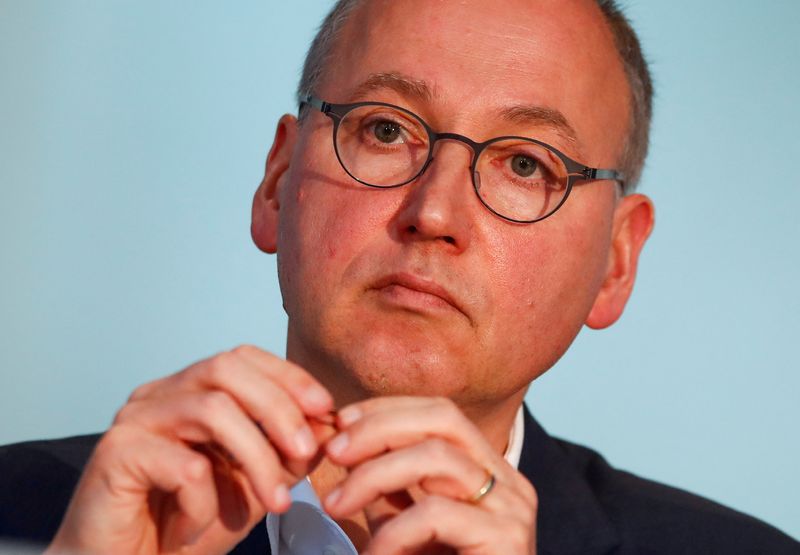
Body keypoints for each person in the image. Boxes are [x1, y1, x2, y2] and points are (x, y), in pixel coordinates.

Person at [1, 0, 798, 553]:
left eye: (526, 163)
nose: (435, 213)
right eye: (386, 129)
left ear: (616, 263)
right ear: (278, 182)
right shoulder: (31, 512)